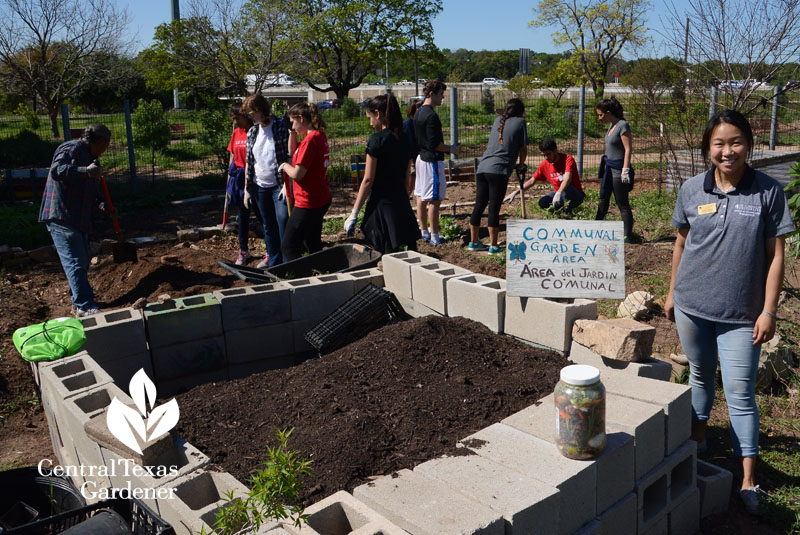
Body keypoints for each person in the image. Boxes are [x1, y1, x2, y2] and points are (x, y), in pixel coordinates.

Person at [665, 110, 793, 516]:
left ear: (749, 146)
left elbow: (776, 256)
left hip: (742, 315)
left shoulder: (768, 192)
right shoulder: (691, 189)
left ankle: (748, 480)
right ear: (708, 149)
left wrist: (768, 310)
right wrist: (670, 293)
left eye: (735, 142)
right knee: (700, 374)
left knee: (740, 395)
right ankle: (699, 439)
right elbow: (681, 245)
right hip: (692, 306)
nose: (727, 151)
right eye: (719, 144)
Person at [38, 124, 111, 318]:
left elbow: (91, 188)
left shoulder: (92, 159)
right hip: (62, 215)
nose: (106, 150)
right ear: (100, 142)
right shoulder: (71, 148)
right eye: (106, 145)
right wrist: (84, 171)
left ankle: (77, 300)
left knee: (82, 261)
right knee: (75, 261)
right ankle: (84, 306)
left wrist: (102, 203)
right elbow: (57, 170)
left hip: (78, 217)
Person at [344, 94, 421, 253]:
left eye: (370, 117)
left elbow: (368, 179)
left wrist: (354, 212)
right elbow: (407, 177)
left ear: (378, 114)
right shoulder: (405, 138)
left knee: (384, 252)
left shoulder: (376, 140)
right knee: (407, 251)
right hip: (400, 201)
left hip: (381, 204)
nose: (370, 123)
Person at [469, 98, 528, 254]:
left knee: (479, 205)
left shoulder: (498, 120)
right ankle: (493, 246)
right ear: (521, 111)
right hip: (499, 170)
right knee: (494, 207)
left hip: (482, 168)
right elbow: (523, 149)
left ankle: (474, 242)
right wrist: (521, 165)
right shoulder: (521, 123)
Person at [242, 94, 291, 268]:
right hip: (260, 186)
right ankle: (274, 262)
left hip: (278, 185)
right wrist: (248, 188)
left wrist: (287, 183)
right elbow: (250, 161)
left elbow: (289, 155)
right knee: (268, 225)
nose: (250, 116)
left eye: (252, 112)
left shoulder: (279, 127)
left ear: (261, 110)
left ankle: (288, 263)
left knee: (283, 220)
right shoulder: (253, 131)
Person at [280, 102, 332, 261]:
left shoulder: (310, 141)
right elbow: (292, 151)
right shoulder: (318, 135)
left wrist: (284, 166)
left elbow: (297, 174)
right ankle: (322, 274)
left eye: (293, 122)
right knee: (313, 243)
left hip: (308, 202)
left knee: (288, 246)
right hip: (320, 197)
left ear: (301, 118)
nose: (292, 126)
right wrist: (292, 132)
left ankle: (300, 278)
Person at [414, 80, 459, 245]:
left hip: (420, 159)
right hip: (432, 161)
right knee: (434, 199)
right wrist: (451, 149)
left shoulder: (419, 112)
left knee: (420, 196)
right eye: (441, 94)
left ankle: (424, 231)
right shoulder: (431, 115)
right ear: (431, 94)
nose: (443, 98)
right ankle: (435, 236)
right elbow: (435, 144)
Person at [594, 97, 634, 241]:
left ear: (608, 112)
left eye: (600, 114)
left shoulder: (622, 125)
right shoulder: (611, 126)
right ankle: (595, 228)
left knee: (622, 202)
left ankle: (627, 235)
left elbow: (628, 149)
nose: (599, 118)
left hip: (618, 169)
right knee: (603, 199)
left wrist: (625, 170)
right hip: (608, 169)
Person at [512, 138, 585, 215]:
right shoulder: (545, 164)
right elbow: (532, 181)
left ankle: (568, 214)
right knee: (543, 202)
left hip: (575, 195)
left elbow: (567, 179)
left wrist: (559, 193)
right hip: (560, 195)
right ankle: (560, 214)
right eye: (544, 155)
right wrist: (517, 192)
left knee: (567, 190)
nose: (546, 157)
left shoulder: (568, 159)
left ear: (555, 151)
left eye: (548, 154)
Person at [225, 104, 259, 265]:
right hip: (239, 180)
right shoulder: (236, 133)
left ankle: (270, 251)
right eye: (234, 119)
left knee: (262, 216)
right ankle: (243, 251)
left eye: (238, 118)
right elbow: (232, 157)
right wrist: (228, 184)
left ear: (246, 116)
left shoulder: (255, 131)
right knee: (242, 217)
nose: (236, 122)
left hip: (255, 179)